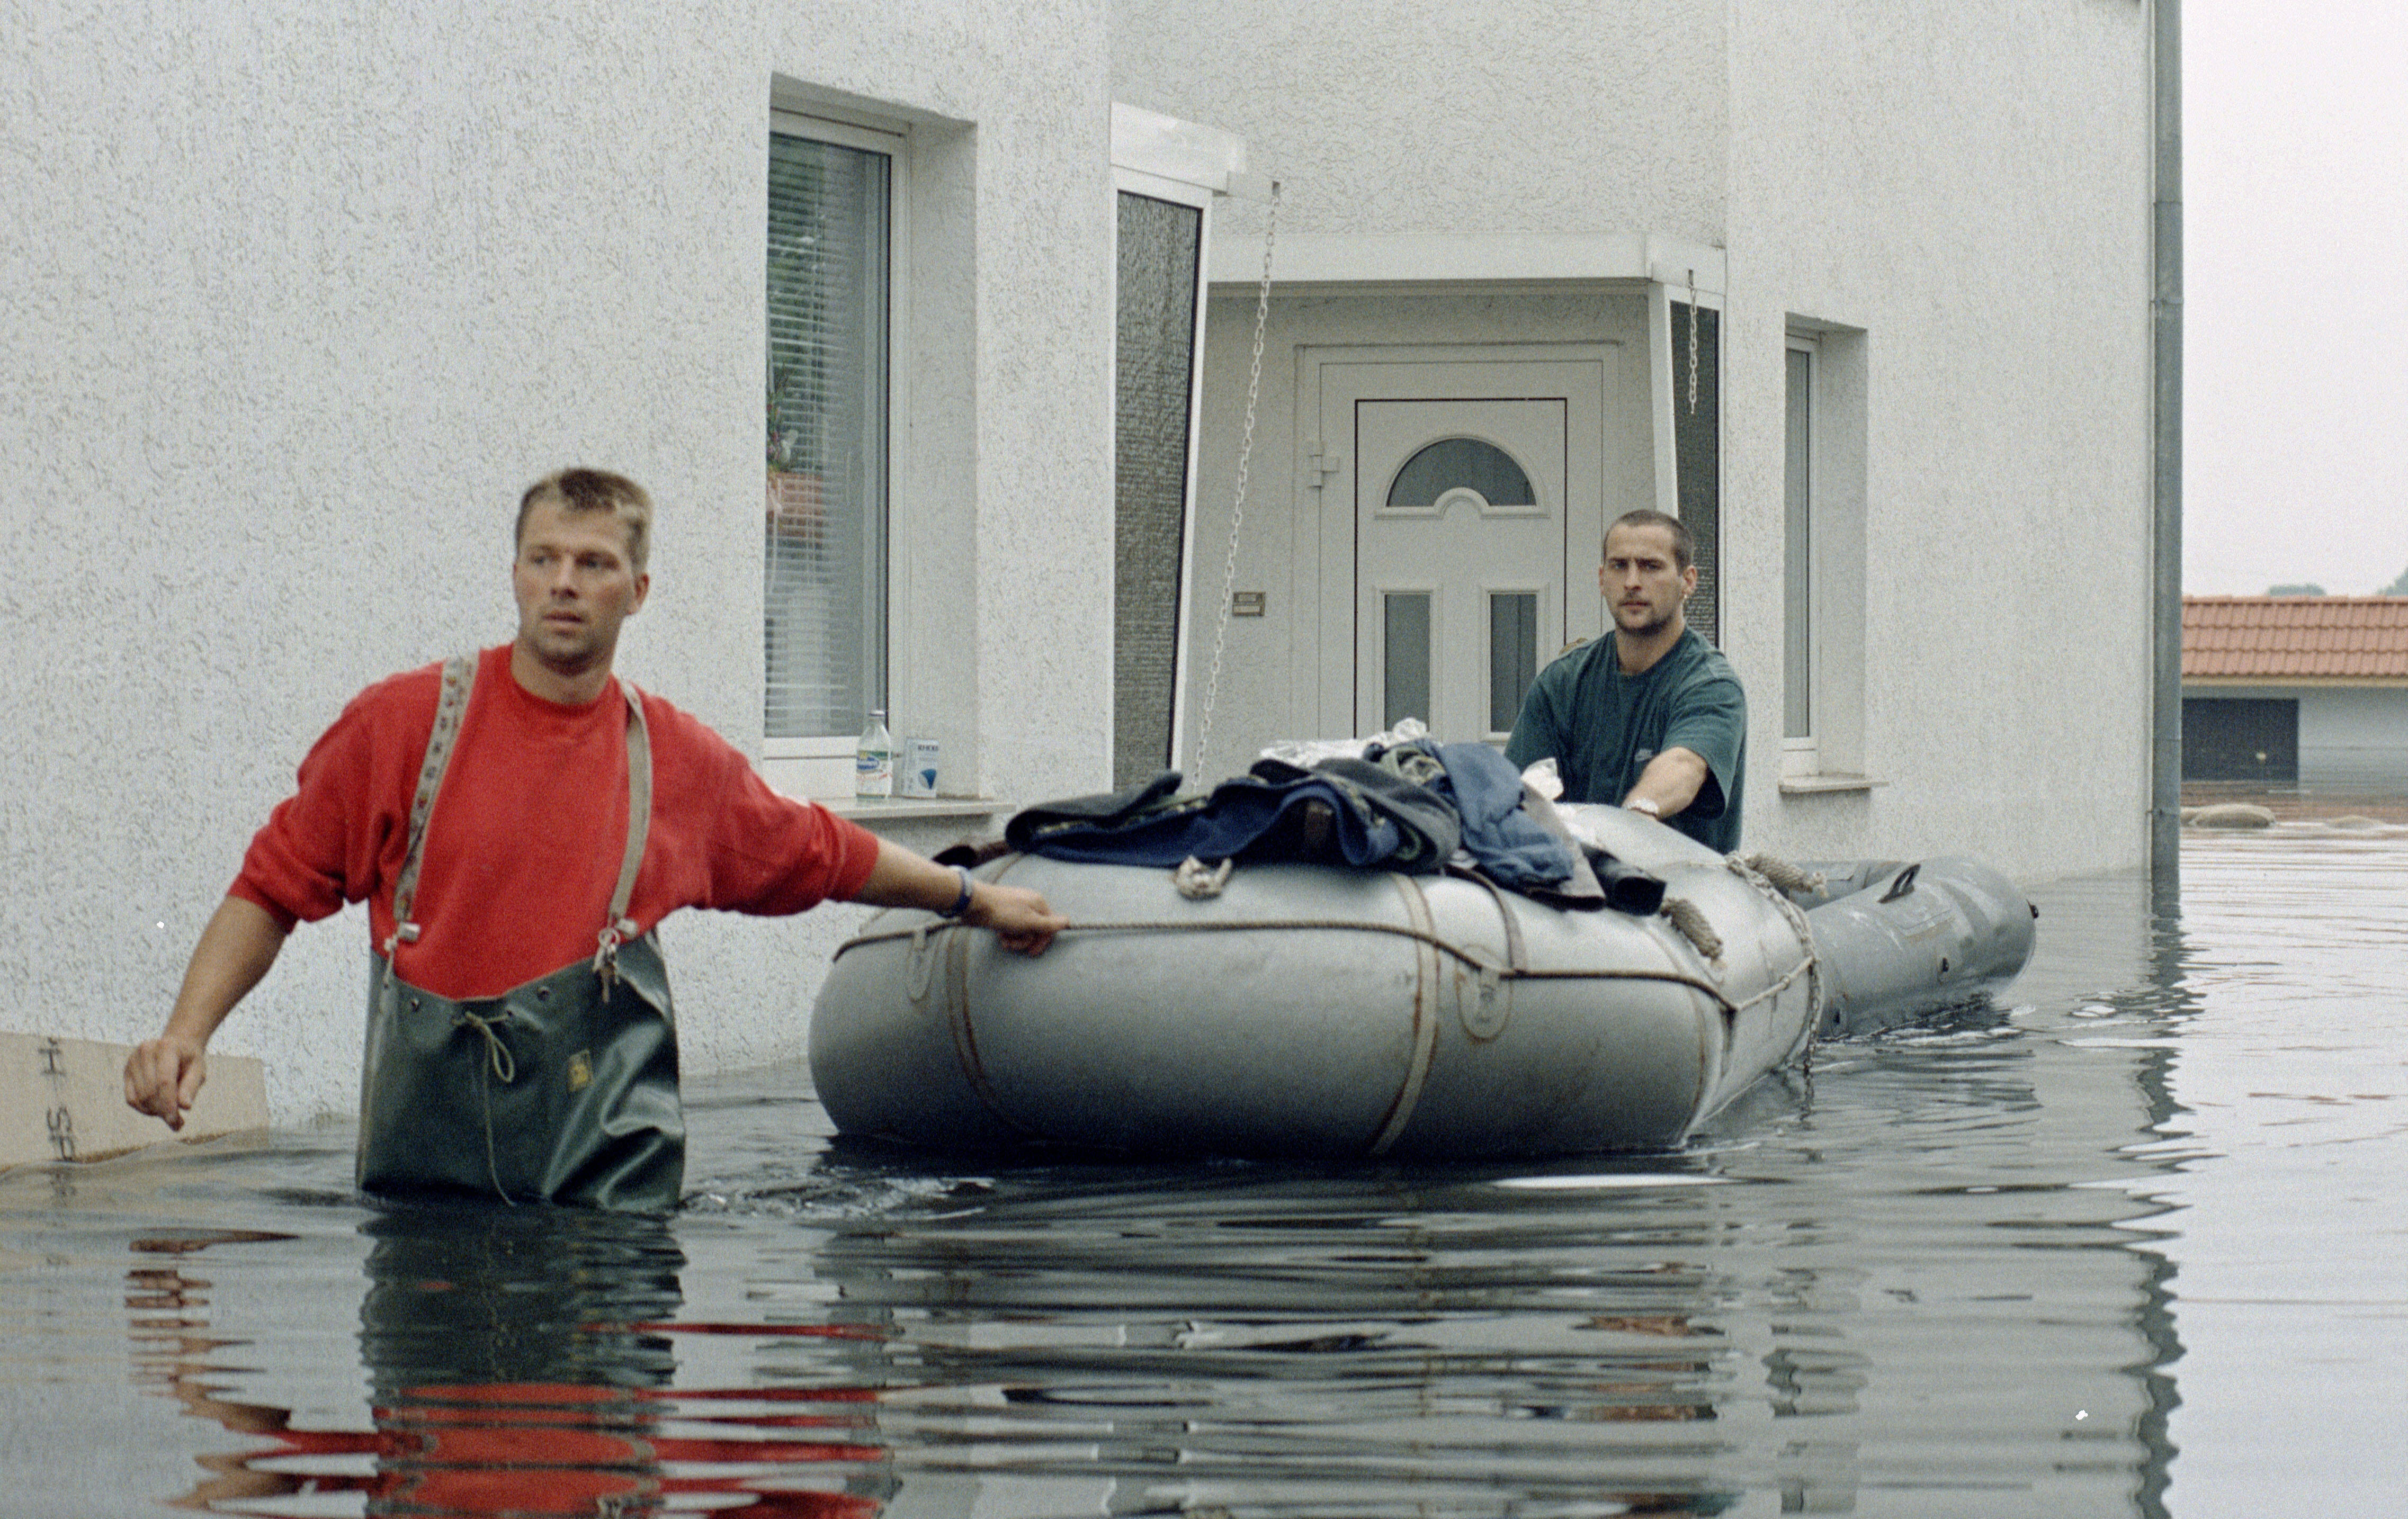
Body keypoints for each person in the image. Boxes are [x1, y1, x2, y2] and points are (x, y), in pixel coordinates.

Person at [123, 468, 1066, 1209]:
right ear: (514, 573)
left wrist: (973, 899)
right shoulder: (400, 726)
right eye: (542, 559)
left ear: (638, 590)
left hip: (610, 1204)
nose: (563, 583)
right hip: (422, 1199)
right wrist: (184, 1035)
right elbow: (270, 889)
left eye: (593, 563)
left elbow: (824, 852)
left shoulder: (676, 762)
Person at [1503, 509, 1747, 853]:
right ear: (1602, 579)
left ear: (1688, 581)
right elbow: (1518, 794)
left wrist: (1637, 813)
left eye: (1651, 566)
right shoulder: (1562, 682)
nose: (1632, 581)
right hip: (1578, 880)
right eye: (1619, 566)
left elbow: (1684, 766)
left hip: (1681, 883)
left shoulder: (1711, 685)